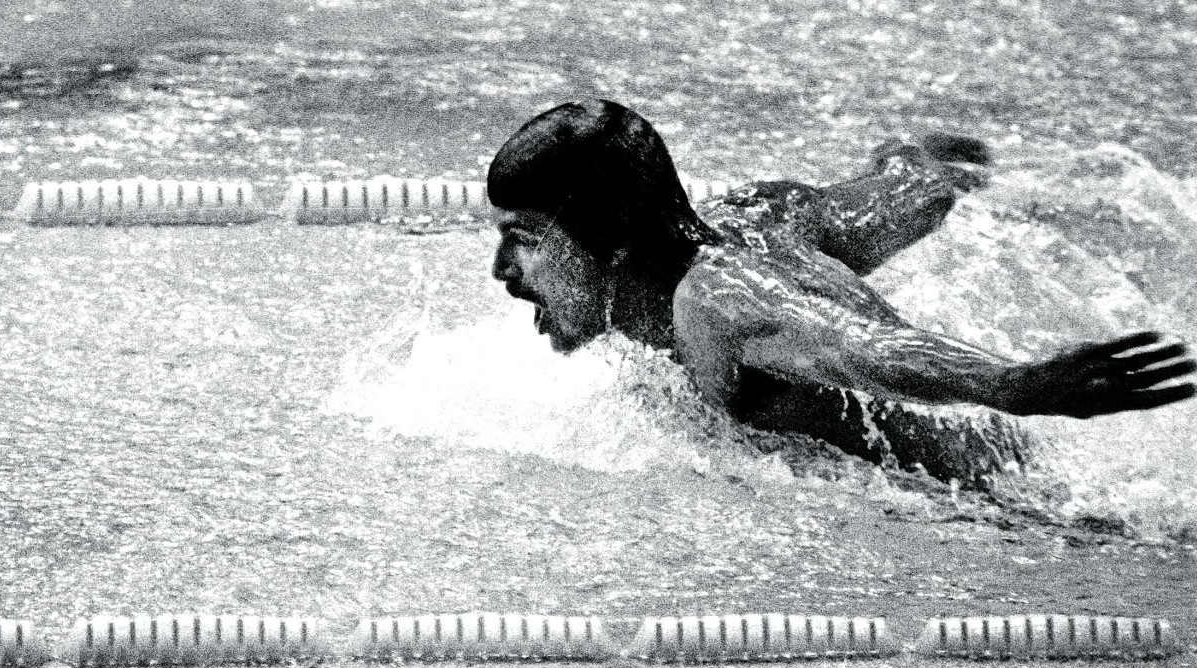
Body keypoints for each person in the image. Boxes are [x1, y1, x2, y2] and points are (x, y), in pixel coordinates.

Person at [487, 99, 1195, 484]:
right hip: (1010, 461)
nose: (502, 271)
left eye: (523, 237)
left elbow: (861, 350)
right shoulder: (759, 215)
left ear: (608, 237)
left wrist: (1011, 384)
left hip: (1027, 507)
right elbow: (906, 197)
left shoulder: (714, 305)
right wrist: (913, 158)